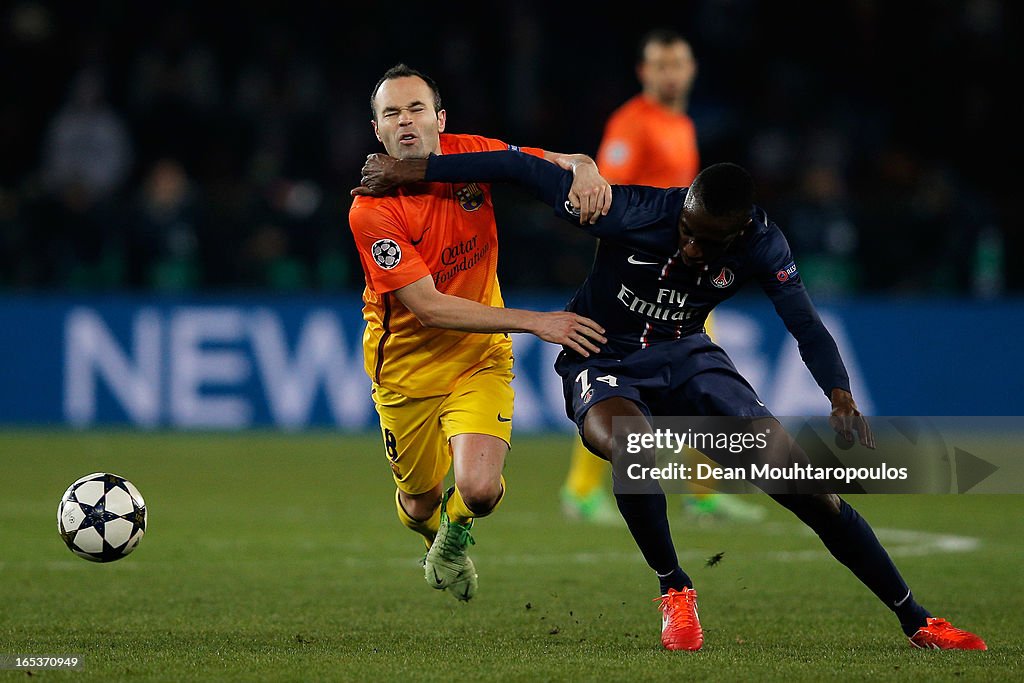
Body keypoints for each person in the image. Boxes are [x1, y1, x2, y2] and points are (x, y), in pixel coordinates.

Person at [351, 149, 986, 652]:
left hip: (688, 359)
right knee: (635, 446)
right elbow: (516, 168)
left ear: (737, 234)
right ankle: (674, 589)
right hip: (603, 355)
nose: (688, 247)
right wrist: (411, 171)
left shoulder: (765, 245)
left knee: (806, 487)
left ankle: (917, 620)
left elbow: (805, 322)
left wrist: (840, 394)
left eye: (705, 243)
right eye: (686, 230)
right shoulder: (627, 210)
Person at [347, 64, 608, 602]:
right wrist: (536, 322)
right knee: (418, 505)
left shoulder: (473, 155)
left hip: (479, 358)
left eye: (416, 108)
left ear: (440, 119)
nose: (406, 121)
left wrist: (582, 167)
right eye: (391, 113)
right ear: (378, 131)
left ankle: (454, 536)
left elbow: (550, 163)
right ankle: (437, 534)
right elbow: (428, 308)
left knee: (480, 490)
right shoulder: (371, 211)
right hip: (407, 373)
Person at [561, 28, 764, 525]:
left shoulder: (681, 125)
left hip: (683, 278)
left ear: (691, 70)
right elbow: (605, 198)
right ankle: (581, 491)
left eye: (678, 64)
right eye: (660, 65)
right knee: (616, 384)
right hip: (642, 284)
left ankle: (701, 492)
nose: (670, 74)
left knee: (695, 381)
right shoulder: (631, 125)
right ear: (644, 72)